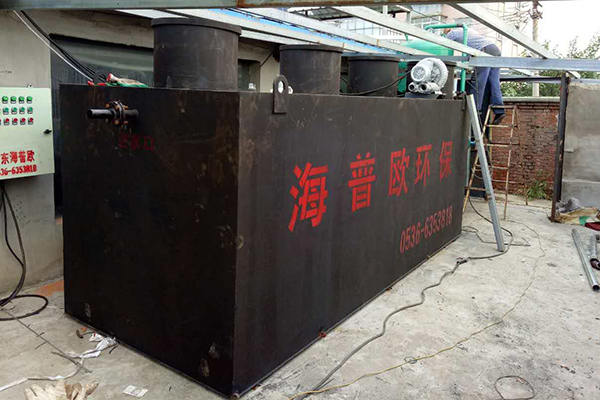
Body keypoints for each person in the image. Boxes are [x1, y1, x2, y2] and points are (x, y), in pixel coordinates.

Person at [444, 28, 505, 125]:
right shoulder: (468, 31)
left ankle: (475, 110)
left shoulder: (452, 33)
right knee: (494, 82)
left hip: (485, 51)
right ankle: (499, 110)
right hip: (495, 49)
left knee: (478, 81)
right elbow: (471, 51)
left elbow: (443, 45)